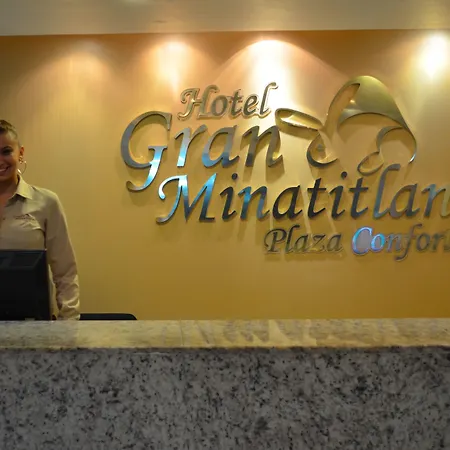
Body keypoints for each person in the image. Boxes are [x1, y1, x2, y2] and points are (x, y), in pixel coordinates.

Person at [0, 120, 80, 319]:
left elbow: (65, 272)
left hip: (32, 324)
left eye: (6, 151)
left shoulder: (46, 202)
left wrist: (69, 325)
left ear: (20, 153)